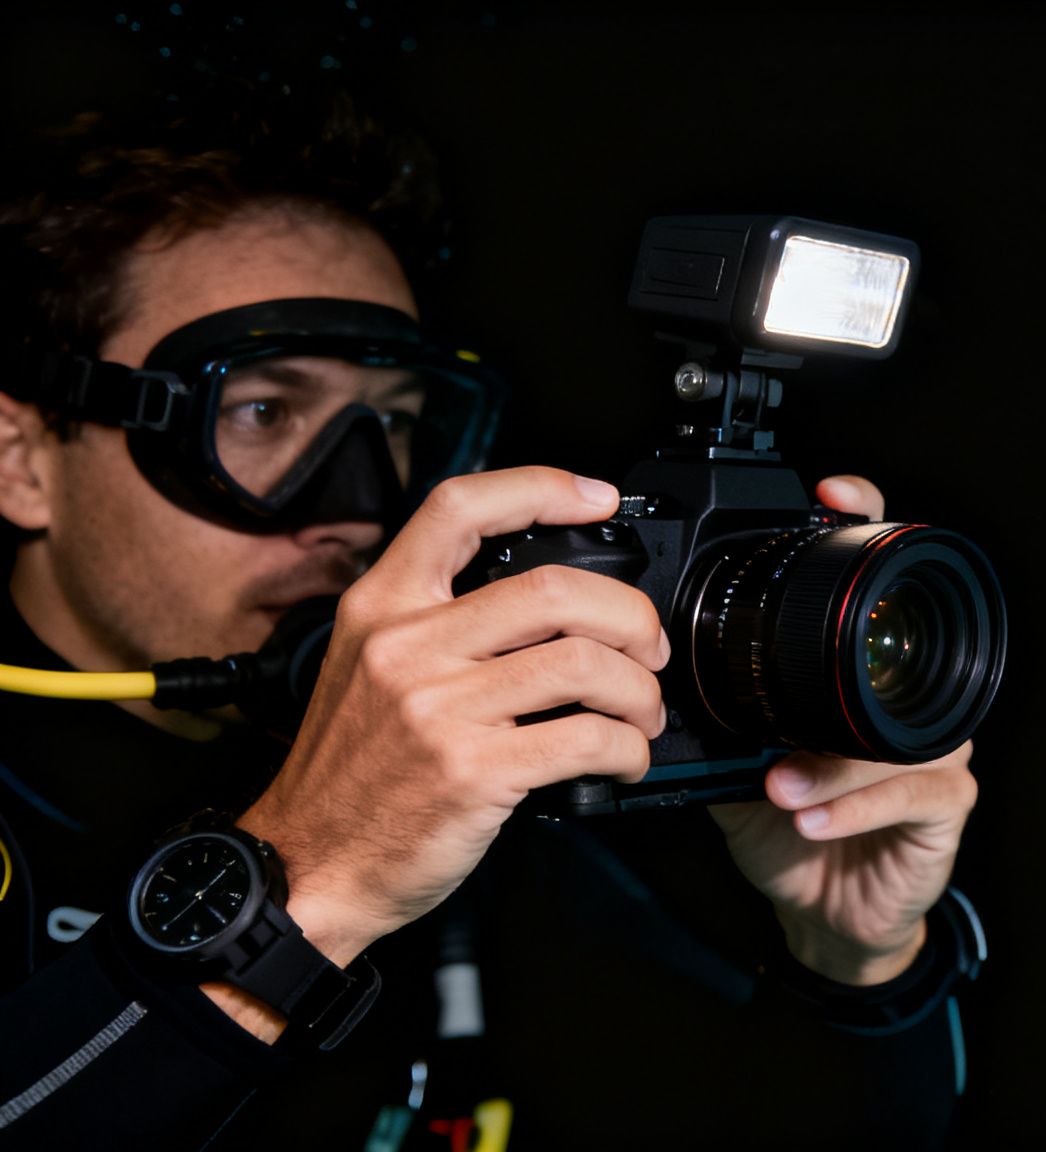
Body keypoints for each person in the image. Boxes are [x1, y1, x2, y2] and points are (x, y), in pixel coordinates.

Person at [0, 83, 983, 1149]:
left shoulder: (498, 819)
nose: (355, 504)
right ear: (20, 459)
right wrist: (309, 891)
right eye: (261, 411)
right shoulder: (404, 820)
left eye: (397, 427)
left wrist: (857, 965)